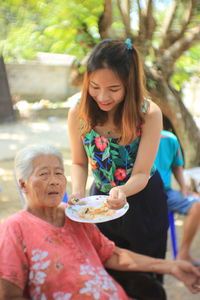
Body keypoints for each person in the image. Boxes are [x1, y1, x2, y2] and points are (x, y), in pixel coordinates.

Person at [1, 144, 200, 300]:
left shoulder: (77, 214)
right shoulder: (14, 229)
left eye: (59, 173)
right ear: (23, 184)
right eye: (44, 174)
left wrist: (170, 266)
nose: (54, 181)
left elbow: (112, 255)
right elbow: (9, 295)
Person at [67, 39, 169, 286]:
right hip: (99, 205)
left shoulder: (149, 114)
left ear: (129, 85)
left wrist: (122, 190)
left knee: (145, 280)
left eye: (113, 89)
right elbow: (79, 163)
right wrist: (79, 193)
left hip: (143, 203)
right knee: (104, 275)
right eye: (94, 86)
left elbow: (142, 173)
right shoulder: (78, 111)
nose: (102, 96)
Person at [155, 129, 200, 263]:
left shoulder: (170, 139)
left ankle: (183, 253)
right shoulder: (133, 137)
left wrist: (184, 189)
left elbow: (177, 166)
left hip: (166, 193)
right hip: (141, 194)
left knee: (197, 204)